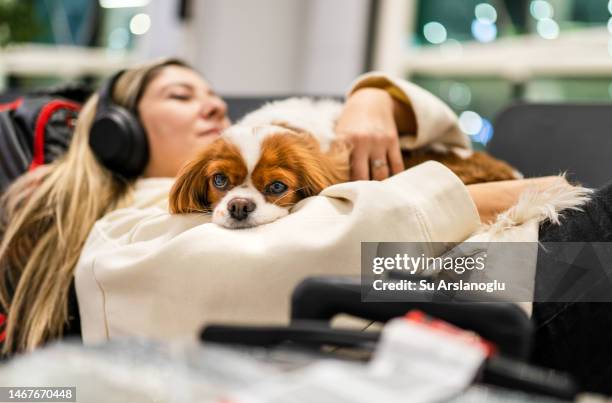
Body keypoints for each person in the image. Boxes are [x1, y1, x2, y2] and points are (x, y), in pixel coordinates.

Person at [0, 57, 596, 385]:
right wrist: (482, 199)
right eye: (180, 95)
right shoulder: (128, 228)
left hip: (502, 283)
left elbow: (441, 146)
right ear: (117, 134)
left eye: (213, 92)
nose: (212, 103)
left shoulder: (276, 151)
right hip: (502, 297)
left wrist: (376, 98)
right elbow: (297, 267)